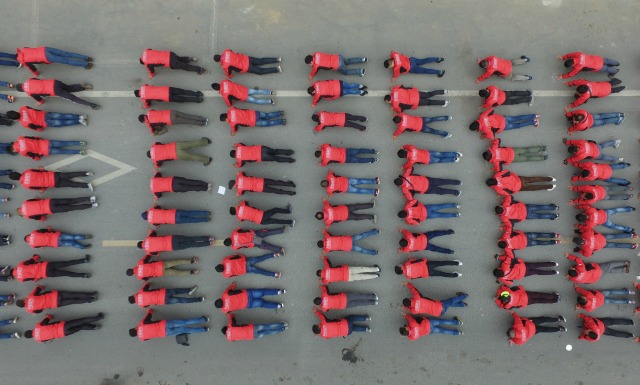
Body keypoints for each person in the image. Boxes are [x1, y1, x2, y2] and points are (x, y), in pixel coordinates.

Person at [16, 79, 98, 109]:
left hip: (54, 90)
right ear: (21, 84)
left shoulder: (30, 93)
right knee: (68, 88)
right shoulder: (29, 80)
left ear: (22, 91)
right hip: (55, 82)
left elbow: (41, 101)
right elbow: (37, 80)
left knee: (73, 98)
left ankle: (91, 105)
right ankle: (81, 86)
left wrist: (39, 103)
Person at [130, 309, 208, 341]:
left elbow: (149, 337)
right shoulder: (141, 324)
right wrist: (149, 311)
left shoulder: (142, 339)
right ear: (134, 328)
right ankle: (203, 319)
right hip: (165, 324)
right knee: (185, 322)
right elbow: (149, 314)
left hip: (165, 333)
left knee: (186, 329)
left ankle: (204, 329)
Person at [493, 249, 558, 285]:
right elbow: (509, 258)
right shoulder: (504, 267)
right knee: (537, 265)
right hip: (522, 266)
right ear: (499, 269)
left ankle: (554, 272)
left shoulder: (502, 279)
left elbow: (510, 283)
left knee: (537, 272)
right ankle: (553, 263)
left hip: (523, 274)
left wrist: (501, 280)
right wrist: (500, 257)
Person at [25, 313, 103, 342]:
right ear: (31, 330)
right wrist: (48, 316)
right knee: (81, 321)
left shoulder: (39, 340)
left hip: (64, 334)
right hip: (62, 326)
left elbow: (49, 338)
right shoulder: (37, 327)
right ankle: (98, 318)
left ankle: (94, 327)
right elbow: (48, 319)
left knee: (81, 327)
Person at [16, 46, 92, 75]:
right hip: (45, 49)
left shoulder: (24, 62)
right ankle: (86, 58)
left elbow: (32, 68)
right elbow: (30, 48)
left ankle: (86, 64)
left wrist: (35, 74)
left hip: (46, 57)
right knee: (66, 53)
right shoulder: (23, 49)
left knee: (67, 61)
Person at [16, 286, 97, 313]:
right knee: (74, 294)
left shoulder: (30, 310)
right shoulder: (30, 297)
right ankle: (91, 294)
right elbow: (38, 289)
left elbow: (40, 311)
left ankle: (90, 300)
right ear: (23, 301)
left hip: (55, 304)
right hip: (55, 295)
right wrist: (39, 286)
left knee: (73, 301)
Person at [12, 254, 91, 282]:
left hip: (46, 274)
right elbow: (32, 260)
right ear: (14, 268)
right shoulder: (20, 265)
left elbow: (34, 279)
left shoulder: (21, 279)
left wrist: (38, 277)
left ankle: (83, 275)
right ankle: (84, 260)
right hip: (46, 266)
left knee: (66, 273)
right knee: (66, 263)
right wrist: (36, 256)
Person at [402, 283, 467, 316]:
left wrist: (404, 307)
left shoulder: (413, 311)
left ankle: (462, 304)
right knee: (451, 301)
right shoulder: (417, 298)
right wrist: (407, 284)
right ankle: (464, 296)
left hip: (439, 314)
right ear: (409, 299)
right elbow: (413, 289)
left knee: (449, 304)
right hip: (439, 306)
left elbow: (409, 309)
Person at [215, 282, 285, 312]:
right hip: (247, 294)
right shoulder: (225, 295)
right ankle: (278, 292)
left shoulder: (225, 310)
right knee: (262, 292)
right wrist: (233, 285)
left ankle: (278, 306)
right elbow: (230, 289)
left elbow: (230, 312)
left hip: (247, 304)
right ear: (220, 299)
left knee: (262, 304)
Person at [469, 109, 539, 139]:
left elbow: (491, 137)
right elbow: (491, 110)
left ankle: (533, 122)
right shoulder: (481, 117)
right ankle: (534, 116)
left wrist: (485, 135)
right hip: (503, 118)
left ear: (477, 129)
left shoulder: (484, 130)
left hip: (504, 126)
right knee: (517, 118)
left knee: (518, 125)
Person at [6, 106, 86, 131]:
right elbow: (34, 109)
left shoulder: (23, 123)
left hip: (45, 123)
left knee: (63, 123)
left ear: (14, 119)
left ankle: (79, 121)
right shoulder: (23, 108)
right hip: (44, 114)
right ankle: (80, 116)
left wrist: (41, 128)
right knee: (63, 116)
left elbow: (36, 128)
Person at [214, 49, 281, 78]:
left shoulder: (225, 65)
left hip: (246, 67)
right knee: (261, 61)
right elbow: (231, 51)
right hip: (247, 58)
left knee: (261, 71)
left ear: (218, 61)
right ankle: (277, 59)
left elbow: (229, 74)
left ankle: (276, 69)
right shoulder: (226, 51)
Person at [140, 49, 206, 77]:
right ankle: (190, 59)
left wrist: (151, 75)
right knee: (179, 58)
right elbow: (150, 49)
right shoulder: (146, 51)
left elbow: (152, 72)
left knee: (185, 66)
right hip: (170, 54)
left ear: (143, 63)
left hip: (170, 62)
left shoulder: (147, 64)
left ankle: (200, 69)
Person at [18, 197, 97, 221]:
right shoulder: (25, 202)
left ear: (21, 214)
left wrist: (43, 218)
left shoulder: (28, 216)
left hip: (50, 209)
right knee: (71, 201)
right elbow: (37, 199)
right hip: (49, 201)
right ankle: (90, 198)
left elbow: (40, 217)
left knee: (72, 207)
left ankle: (92, 205)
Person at [148, 138, 212, 167]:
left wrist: (155, 165)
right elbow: (158, 143)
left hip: (176, 155)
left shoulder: (155, 160)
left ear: (150, 157)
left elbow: (159, 165)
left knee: (192, 157)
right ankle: (206, 141)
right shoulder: (154, 146)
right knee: (191, 143)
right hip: (175, 145)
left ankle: (207, 160)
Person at [9, 136, 86, 160]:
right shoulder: (20, 138)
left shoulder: (22, 153)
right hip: (45, 143)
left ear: (13, 149)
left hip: (45, 150)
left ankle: (80, 152)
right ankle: (80, 142)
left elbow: (35, 157)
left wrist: (37, 158)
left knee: (64, 151)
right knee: (64, 143)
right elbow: (33, 137)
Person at [220, 107, 286, 135]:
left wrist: (233, 132)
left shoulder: (232, 123)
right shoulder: (231, 110)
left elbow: (234, 130)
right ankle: (279, 113)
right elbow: (231, 108)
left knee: (268, 123)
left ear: (226, 119)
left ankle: (282, 121)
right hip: (254, 113)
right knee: (267, 115)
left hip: (253, 121)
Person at [11, 169, 92, 191]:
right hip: (53, 175)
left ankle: (87, 185)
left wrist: (43, 188)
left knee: (71, 184)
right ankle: (86, 173)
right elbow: (40, 171)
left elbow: (38, 188)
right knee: (69, 174)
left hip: (52, 183)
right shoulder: (27, 171)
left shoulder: (25, 185)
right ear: (18, 173)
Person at [137, 231, 213, 255]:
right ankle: (208, 238)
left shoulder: (149, 252)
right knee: (191, 238)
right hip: (172, 238)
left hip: (172, 247)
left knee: (191, 244)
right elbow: (154, 232)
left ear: (142, 248)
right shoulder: (148, 239)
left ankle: (208, 243)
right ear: (142, 241)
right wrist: (150, 231)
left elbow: (157, 254)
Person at [395, 172, 461, 199]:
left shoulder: (404, 188)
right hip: (427, 180)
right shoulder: (406, 175)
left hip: (426, 189)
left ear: (399, 185)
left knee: (441, 191)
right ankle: (457, 182)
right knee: (442, 181)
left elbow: (410, 197)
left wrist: (405, 195)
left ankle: (456, 192)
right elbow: (410, 168)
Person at [126, 255, 199, 280]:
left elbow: (148, 278)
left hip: (160, 273)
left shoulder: (140, 277)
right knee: (177, 262)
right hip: (160, 265)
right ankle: (192, 261)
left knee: (177, 273)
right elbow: (148, 256)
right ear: (131, 268)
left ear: (133, 274)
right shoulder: (140, 264)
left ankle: (193, 272)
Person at [129, 283, 202, 308]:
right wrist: (145, 284)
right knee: (176, 291)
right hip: (163, 293)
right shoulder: (140, 292)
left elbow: (148, 306)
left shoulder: (141, 305)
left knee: (181, 300)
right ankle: (189, 290)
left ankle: (198, 299)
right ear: (133, 296)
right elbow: (147, 285)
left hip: (164, 301)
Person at [138, 110, 208, 136]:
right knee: (188, 116)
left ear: (144, 121)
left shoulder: (149, 123)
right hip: (171, 112)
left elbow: (153, 132)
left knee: (187, 121)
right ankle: (204, 119)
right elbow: (154, 111)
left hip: (171, 120)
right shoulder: (149, 112)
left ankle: (202, 123)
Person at [223, 314, 287, 341]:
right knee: (267, 326)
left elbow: (233, 339)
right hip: (252, 328)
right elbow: (232, 319)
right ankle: (282, 324)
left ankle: (283, 328)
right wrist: (229, 315)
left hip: (252, 336)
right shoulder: (230, 327)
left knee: (268, 332)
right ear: (226, 328)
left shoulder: (230, 339)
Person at [486, 170, 555, 196]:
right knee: (533, 179)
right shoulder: (497, 175)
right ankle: (550, 178)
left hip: (518, 187)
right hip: (518, 179)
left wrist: (515, 191)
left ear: (491, 186)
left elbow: (508, 193)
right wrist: (513, 176)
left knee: (533, 187)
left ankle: (549, 187)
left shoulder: (497, 189)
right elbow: (507, 172)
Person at [216, 253, 281, 279]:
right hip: (245, 261)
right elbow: (235, 256)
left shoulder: (226, 275)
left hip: (245, 270)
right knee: (260, 258)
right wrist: (242, 257)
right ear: (220, 264)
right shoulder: (225, 260)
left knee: (261, 272)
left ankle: (275, 274)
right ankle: (275, 254)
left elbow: (235, 275)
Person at [134, 84, 203, 108]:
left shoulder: (144, 98)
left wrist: (145, 106)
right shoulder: (143, 87)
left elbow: (147, 105)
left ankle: (197, 100)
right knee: (183, 91)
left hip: (167, 97)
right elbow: (147, 85)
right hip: (167, 89)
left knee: (182, 99)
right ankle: (197, 93)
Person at [495, 285, 559, 310]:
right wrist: (498, 294)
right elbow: (503, 286)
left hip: (526, 302)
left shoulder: (508, 305)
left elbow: (502, 307)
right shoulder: (510, 293)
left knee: (539, 301)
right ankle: (555, 296)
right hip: (526, 295)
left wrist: (497, 300)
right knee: (540, 295)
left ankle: (555, 301)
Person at [229, 172, 296, 196]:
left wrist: (237, 195)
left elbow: (240, 194)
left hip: (260, 189)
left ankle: (290, 193)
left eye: (233, 187)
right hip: (261, 181)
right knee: (276, 182)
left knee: (275, 191)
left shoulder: (239, 189)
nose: (234, 187)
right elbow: (241, 172)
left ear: (234, 185)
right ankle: (291, 184)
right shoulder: (240, 177)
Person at [395, 257, 462, 279]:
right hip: (427, 265)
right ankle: (457, 263)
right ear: (401, 268)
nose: (400, 265)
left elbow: (418, 277)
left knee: (442, 274)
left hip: (427, 273)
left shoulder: (408, 276)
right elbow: (416, 260)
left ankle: (456, 275)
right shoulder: (407, 264)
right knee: (441, 263)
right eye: (399, 266)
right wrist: (424, 259)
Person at [141, 206, 211, 226]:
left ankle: (206, 219)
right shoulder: (151, 210)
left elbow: (157, 224)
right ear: (146, 212)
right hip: (174, 213)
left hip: (173, 220)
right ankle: (206, 213)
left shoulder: (151, 222)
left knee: (191, 220)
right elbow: (158, 207)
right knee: (191, 213)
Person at [24, 228, 91, 249]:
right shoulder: (34, 232)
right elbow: (44, 230)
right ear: (28, 235)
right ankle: (85, 237)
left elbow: (43, 246)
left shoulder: (32, 245)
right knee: (72, 236)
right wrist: (49, 229)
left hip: (55, 243)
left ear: (28, 242)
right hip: (56, 236)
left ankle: (83, 247)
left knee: (71, 243)